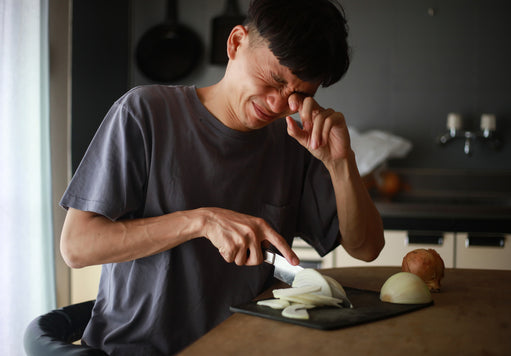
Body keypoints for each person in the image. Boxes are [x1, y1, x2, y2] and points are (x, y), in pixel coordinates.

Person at [59, 0, 384, 354]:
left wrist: (340, 162)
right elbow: (77, 246)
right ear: (235, 43)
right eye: (273, 80)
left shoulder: (293, 144)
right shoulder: (144, 114)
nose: (278, 104)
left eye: (300, 95)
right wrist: (201, 221)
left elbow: (366, 248)